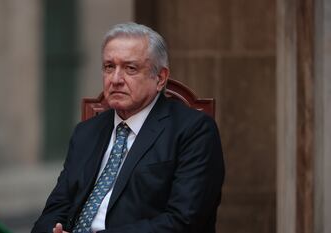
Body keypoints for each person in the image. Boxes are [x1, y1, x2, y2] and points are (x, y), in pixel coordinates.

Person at [31, 22, 224, 233]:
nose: (115, 79)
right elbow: (54, 210)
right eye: (109, 67)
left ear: (160, 78)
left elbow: (184, 221)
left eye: (130, 68)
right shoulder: (86, 132)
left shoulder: (193, 131)